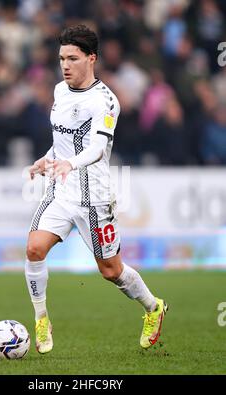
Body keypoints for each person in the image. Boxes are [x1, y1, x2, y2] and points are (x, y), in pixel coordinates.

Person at [25, 25, 168, 354]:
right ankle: (41, 318)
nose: (65, 65)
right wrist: (46, 159)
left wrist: (70, 164)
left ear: (92, 59)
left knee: (111, 271)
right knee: (34, 249)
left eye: (72, 58)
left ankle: (153, 307)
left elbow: (97, 149)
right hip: (61, 191)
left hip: (94, 199)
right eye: (61, 58)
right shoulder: (60, 91)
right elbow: (61, 142)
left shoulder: (105, 101)